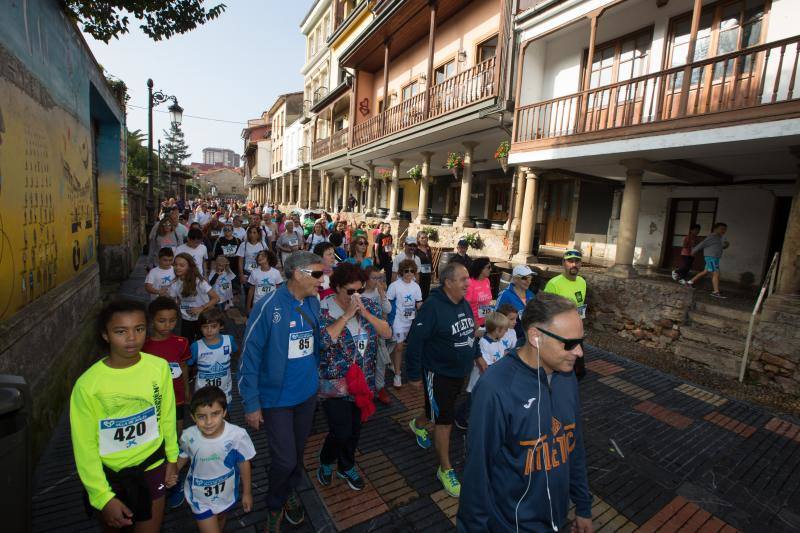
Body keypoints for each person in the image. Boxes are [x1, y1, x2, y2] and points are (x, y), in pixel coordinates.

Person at [457, 293, 592, 533]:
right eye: (570, 344)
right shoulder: (495, 388)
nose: (579, 352)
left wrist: (583, 506)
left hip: (558, 521)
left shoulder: (567, 375)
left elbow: (575, 446)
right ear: (535, 337)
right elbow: (477, 474)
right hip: (511, 526)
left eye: (581, 341)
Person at [69, 299, 179, 532]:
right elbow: (84, 446)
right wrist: (102, 497)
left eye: (138, 329)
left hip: (153, 465)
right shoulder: (88, 385)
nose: (131, 338)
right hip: (110, 477)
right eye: (121, 331)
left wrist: (172, 458)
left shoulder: (159, 368)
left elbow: (167, 415)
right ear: (106, 335)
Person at [238, 251, 324, 532]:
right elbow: (249, 356)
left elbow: (315, 342)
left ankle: (289, 492)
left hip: (307, 394)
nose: (322, 281)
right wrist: (251, 403)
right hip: (276, 399)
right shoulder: (269, 306)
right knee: (285, 458)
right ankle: (275, 504)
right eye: (317, 274)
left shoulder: (313, 302)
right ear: (298, 274)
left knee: (296, 455)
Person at [406, 262, 482, 498]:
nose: (468, 283)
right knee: (444, 421)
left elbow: (470, 334)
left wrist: (478, 358)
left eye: (468, 279)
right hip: (437, 373)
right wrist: (413, 374)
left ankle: (417, 424)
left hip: (460, 373)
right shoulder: (432, 307)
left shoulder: (464, 304)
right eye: (463, 280)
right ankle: (445, 469)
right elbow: (415, 340)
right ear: (448, 282)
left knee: (437, 412)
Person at [316, 263, 392, 491]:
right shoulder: (323, 310)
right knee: (341, 431)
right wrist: (347, 315)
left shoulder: (367, 304)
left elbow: (386, 332)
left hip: (363, 382)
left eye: (359, 290)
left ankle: (346, 466)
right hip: (335, 383)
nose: (355, 296)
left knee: (355, 430)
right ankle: (326, 461)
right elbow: (323, 341)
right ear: (336, 287)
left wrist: (364, 312)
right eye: (350, 291)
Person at [178, 386, 255, 532]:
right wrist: (173, 471)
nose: (208, 422)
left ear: (225, 412)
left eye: (215, 414)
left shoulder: (237, 436)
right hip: (199, 498)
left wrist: (247, 492)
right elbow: (183, 454)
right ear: (193, 417)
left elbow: (244, 463)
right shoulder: (188, 436)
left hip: (226, 494)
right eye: (201, 416)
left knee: (221, 518)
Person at [143, 296, 192, 509]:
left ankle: (174, 481)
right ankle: (155, 481)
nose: (167, 326)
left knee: (177, 439)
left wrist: (188, 390)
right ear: (152, 320)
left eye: (172, 321)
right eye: (162, 321)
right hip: (152, 404)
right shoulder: (143, 345)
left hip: (178, 400)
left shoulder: (181, 343)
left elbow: (183, 367)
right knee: (156, 441)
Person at [454, 311, 511, 430]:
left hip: (489, 382)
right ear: (497, 330)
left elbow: (502, 355)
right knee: (471, 402)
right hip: (478, 382)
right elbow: (486, 366)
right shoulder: (484, 343)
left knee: (479, 402)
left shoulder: (498, 341)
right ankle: (460, 417)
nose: (506, 332)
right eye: (505, 330)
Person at [544, 249, 588, 379]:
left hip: (576, 333)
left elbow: (580, 308)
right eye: (570, 261)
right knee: (559, 372)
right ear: (563, 263)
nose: (574, 264)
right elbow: (544, 309)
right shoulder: (554, 283)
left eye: (577, 261)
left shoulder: (582, 282)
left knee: (579, 372)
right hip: (560, 336)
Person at [386, 259, 423, 388]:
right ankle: (397, 375)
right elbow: (388, 304)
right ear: (401, 272)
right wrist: (387, 321)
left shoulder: (416, 286)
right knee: (400, 347)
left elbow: (418, 303)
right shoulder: (394, 286)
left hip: (410, 321)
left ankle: (391, 362)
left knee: (397, 346)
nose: (409, 273)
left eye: (412, 271)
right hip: (397, 320)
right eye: (406, 271)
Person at [169, 253, 220, 342]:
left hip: (203, 318)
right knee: (187, 343)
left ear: (189, 267)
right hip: (186, 319)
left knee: (204, 342)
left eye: (182, 265)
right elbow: (175, 302)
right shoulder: (174, 283)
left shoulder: (199, 282)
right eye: (175, 265)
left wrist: (201, 308)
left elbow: (216, 298)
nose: (177, 267)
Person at [360, 266, 393, 405]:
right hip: (364, 333)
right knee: (364, 363)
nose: (377, 281)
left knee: (380, 362)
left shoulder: (378, 292)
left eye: (379, 278)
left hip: (378, 333)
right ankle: (365, 391)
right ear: (366, 279)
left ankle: (380, 388)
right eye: (374, 278)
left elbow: (388, 309)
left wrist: (382, 294)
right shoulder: (359, 294)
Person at [496, 264, 537, 344]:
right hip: (509, 341)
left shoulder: (531, 295)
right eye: (524, 278)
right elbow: (496, 318)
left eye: (530, 278)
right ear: (515, 279)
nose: (529, 281)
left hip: (528, 339)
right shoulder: (505, 295)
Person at [687, 222, 730, 298]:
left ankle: (690, 282)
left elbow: (719, 247)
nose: (723, 231)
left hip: (714, 258)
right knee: (716, 273)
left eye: (725, 229)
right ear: (715, 229)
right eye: (722, 229)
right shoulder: (712, 236)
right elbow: (702, 244)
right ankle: (716, 292)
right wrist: (693, 251)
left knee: (705, 272)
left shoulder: (719, 238)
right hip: (711, 257)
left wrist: (725, 246)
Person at [236, 226, 268, 293]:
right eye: (250, 232)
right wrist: (241, 275)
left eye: (254, 232)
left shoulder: (262, 244)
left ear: (258, 234)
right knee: (248, 294)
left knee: (260, 293)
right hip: (248, 273)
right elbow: (240, 261)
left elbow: (267, 259)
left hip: (260, 272)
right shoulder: (243, 245)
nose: (252, 235)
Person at [465, 257, 493, 329]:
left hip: (486, 321)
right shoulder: (470, 283)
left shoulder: (487, 281)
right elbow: (465, 306)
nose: (491, 269)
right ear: (480, 269)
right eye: (488, 267)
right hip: (473, 323)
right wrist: (475, 324)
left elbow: (486, 303)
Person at [415, 231, 434, 300]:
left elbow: (430, 261)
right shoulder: (415, 250)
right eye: (422, 238)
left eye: (426, 237)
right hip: (419, 275)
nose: (424, 239)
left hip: (427, 275)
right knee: (419, 293)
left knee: (426, 293)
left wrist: (432, 272)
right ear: (418, 239)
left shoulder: (428, 249)